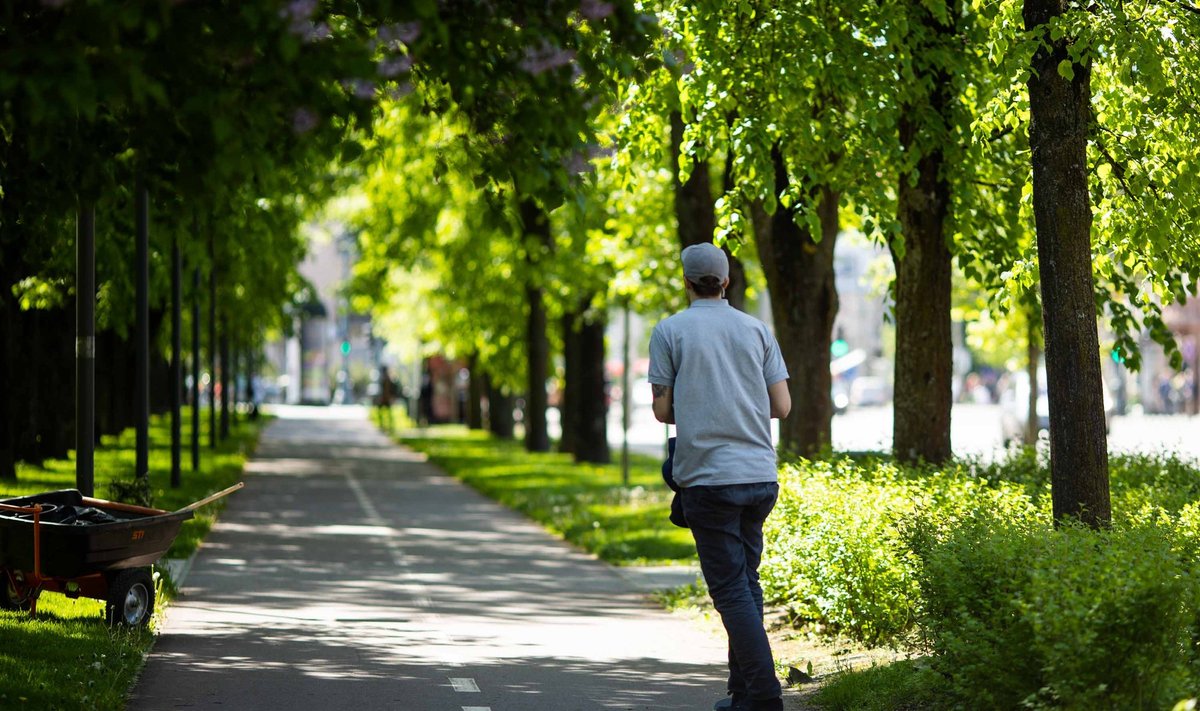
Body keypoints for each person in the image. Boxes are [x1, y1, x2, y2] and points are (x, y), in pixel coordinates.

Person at [648, 242, 791, 711]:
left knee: (731, 590)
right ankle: (744, 695)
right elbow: (782, 406)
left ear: (686, 281)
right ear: (727, 280)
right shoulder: (756, 330)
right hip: (758, 476)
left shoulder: (670, 331)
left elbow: (663, 411)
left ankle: (765, 696)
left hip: (709, 479)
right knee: (746, 585)